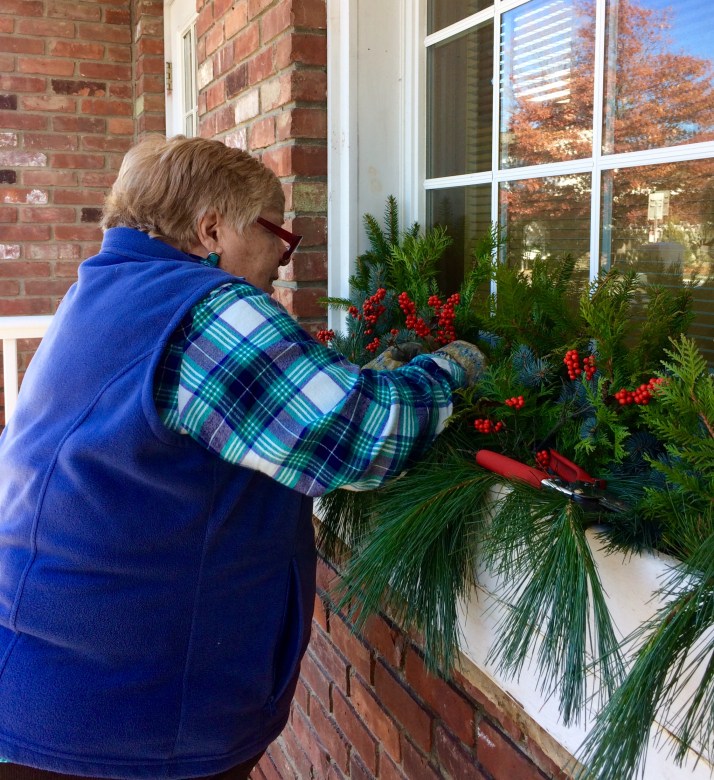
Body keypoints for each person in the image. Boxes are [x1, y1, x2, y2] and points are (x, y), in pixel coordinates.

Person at [0, 136, 483, 780]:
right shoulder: (205, 307)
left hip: (52, 683)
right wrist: (453, 368)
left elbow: (237, 422)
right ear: (211, 230)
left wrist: (360, 379)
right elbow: (365, 440)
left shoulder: (106, 293)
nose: (286, 257)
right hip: (122, 726)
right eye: (278, 231)